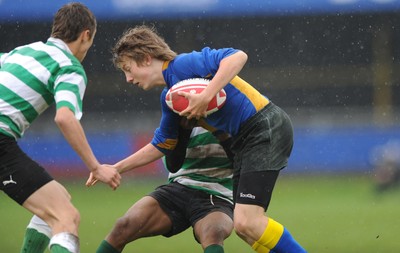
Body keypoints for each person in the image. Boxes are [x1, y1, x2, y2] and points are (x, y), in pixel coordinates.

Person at [87, 25, 306, 252]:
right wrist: (116, 167)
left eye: (128, 69)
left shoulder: (182, 65)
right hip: (248, 139)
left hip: (263, 126)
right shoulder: (169, 97)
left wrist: (206, 95)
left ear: (144, 59)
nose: (128, 79)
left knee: (248, 221)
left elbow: (238, 56)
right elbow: (163, 144)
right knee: (246, 229)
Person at [0, 3, 121, 253]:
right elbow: (65, 117)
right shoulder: (69, 66)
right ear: (86, 35)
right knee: (66, 218)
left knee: (59, 202)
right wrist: (96, 167)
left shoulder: (23, 51)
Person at [96, 121, 235, 253]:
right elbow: (169, 160)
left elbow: (246, 156)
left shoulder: (239, 107)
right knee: (124, 226)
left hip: (219, 194)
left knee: (212, 233)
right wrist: (116, 167)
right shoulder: (177, 105)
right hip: (180, 186)